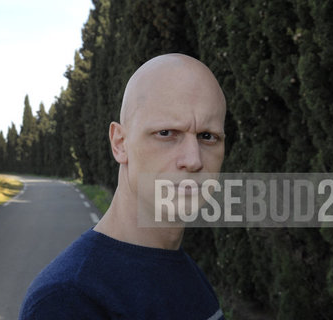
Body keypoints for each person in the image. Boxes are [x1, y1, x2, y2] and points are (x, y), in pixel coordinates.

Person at [18, 53, 226, 320]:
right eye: (166, 133)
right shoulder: (68, 300)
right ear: (120, 143)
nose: (194, 160)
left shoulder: (186, 272)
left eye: (208, 137)